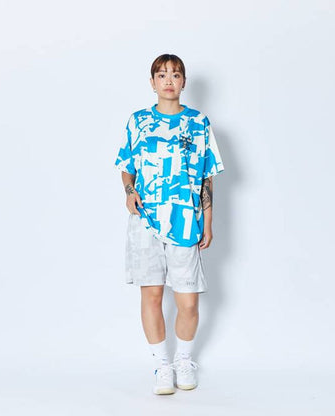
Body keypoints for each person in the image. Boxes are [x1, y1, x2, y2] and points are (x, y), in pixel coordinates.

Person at [113, 53, 225, 395]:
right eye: (161, 75)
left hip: (186, 222)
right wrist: (129, 192)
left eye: (175, 75)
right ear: (152, 83)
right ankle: (162, 365)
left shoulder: (199, 122)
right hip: (146, 221)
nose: (168, 81)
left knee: (188, 301)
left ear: (184, 82)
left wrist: (208, 220)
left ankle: (184, 360)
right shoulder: (138, 121)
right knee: (152, 296)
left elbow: (207, 176)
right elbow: (126, 166)